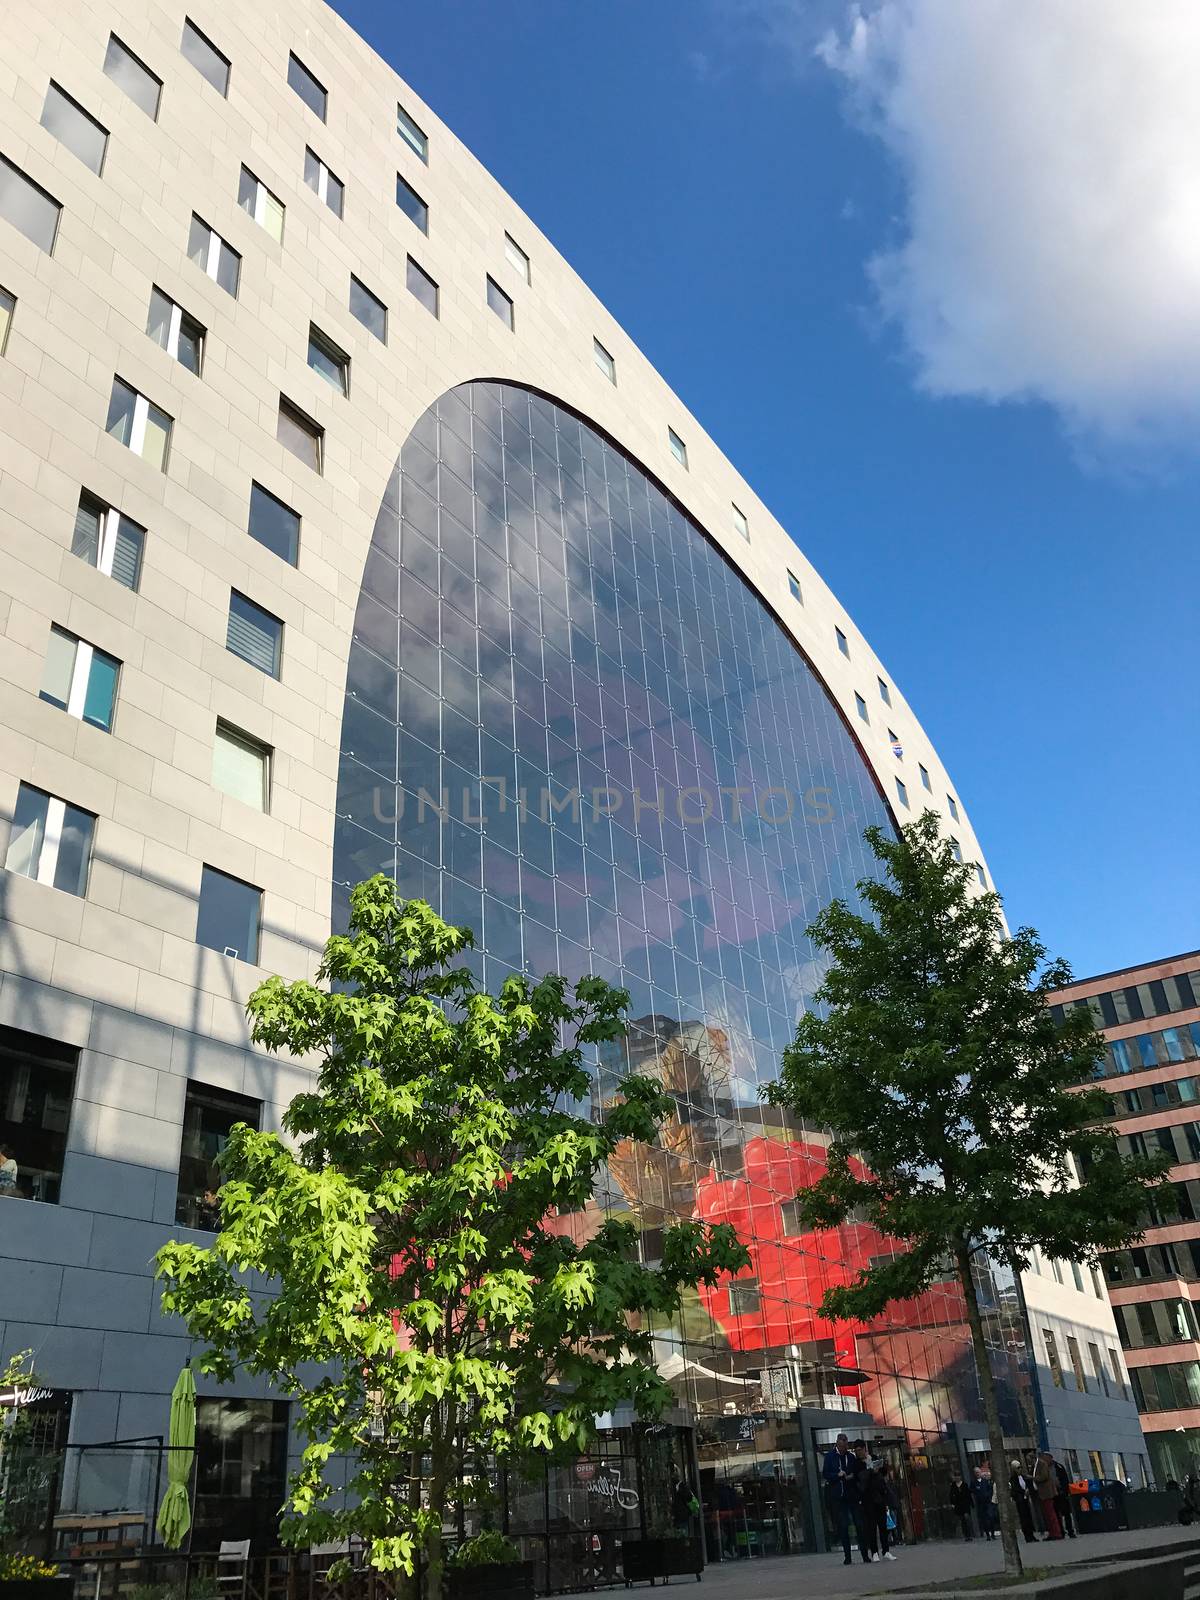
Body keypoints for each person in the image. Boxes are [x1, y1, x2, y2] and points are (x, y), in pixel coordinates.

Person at [822, 1433, 867, 1565]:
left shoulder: (850, 1457)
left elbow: (856, 1471)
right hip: (839, 1496)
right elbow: (826, 1473)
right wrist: (837, 1475)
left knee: (859, 1524)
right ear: (838, 1444)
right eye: (842, 1446)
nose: (844, 1449)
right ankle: (848, 1557)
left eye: (846, 1446)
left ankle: (864, 1554)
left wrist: (851, 1476)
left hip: (851, 1494)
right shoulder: (830, 1457)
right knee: (843, 1526)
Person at [1034, 1450, 1063, 1539]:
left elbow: (1044, 1477)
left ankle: (1056, 1532)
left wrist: (1033, 1478)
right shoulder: (1042, 1464)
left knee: (1051, 1513)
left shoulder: (1042, 1464)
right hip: (1046, 1493)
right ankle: (1054, 1532)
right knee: (1049, 1514)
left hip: (1047, 1493)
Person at [1009, 1459, 1037, 1543]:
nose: (1020, 1469)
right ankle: (1027, 1536)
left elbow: (1029, 1484)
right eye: (1018, 1468)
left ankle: (1032, 1535)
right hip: (1020, 1500)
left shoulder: (1024, 1477)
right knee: (1024, 1518)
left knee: (1029, 1517)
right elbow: (1014, 1489)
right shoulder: (1013, 1479)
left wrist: (1028, 1490)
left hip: (1026, 1499)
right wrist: (1023, 1492)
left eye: (1020, 1467)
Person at [1052, 1455, 1076, 1539]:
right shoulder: (1047, 1468)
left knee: (1066, 1513)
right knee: (1059, 1514)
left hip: (1061, 1493)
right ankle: (1062, 1531)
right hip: (1054, 1494)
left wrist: (1065, 1491)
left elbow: (1065, 1480)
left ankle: (1070, 1531)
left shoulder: (1058, 1467)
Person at [971, 1467, 997, 1541]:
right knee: (984, 1519)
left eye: (978, 1472)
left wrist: (989, 1496)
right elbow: (973, 1491)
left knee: (991, 1517)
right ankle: (988, 1535)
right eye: (976, 1472)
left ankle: (992, 1533)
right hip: (980, 1504)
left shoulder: (985, 1481)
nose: (977, 1474)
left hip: (988, 1503)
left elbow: (990, 1489)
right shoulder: (973, 1483)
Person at [950, 1473, 974, 1541]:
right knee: (962, 1520)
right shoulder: (953, 1486)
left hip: (965, 1504)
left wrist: (971, 1503)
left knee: (967, 1518)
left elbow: (968, 1495)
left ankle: (969, 1534)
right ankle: (966, 1535)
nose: (957, 1478)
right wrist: (952, 1503)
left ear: (960, 1477)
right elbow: (951, 1495)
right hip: (958, 1505)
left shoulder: (964, 1484)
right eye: (956, 1476)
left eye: (958, 1476)